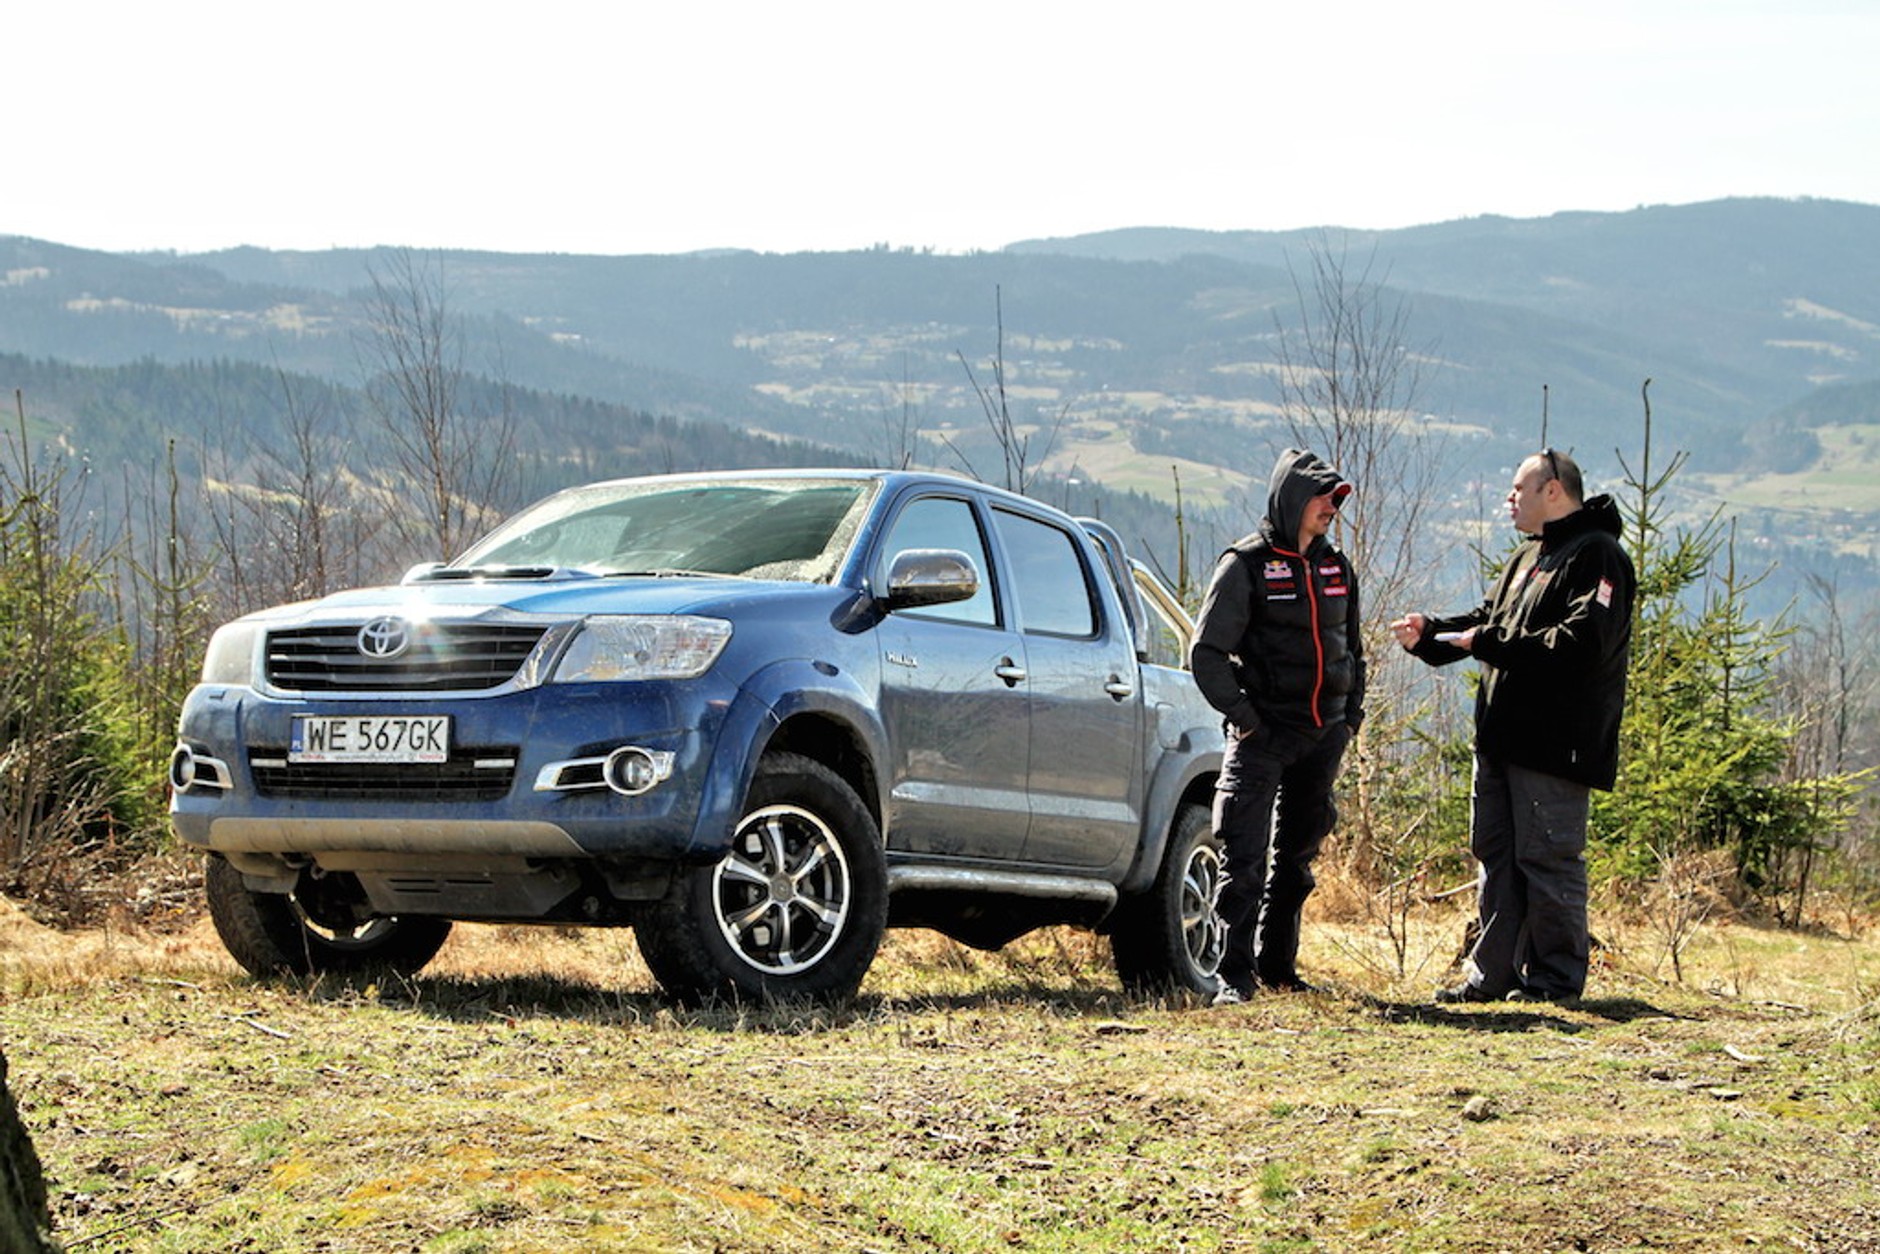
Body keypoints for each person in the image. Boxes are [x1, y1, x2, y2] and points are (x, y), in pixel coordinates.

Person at [1389, 448, 1634, 1004]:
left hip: (1554, 746)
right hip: (1500, 740)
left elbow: (1581, 643)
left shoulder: (1597, 556)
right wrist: (1431, 633)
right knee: (1496, 857)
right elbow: (1487, 622)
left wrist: (1489, 642)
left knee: (1548, 861)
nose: (1509, 498)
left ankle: (1554, 980)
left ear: (1554, 490)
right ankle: (1493, 976)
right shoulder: (1528, 557)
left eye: (1518, 488)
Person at [1191, 448, 1364, 1002]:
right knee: (1243, 858)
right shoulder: (1244, 565)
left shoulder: (1337, 566)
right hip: (1263, 736)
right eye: (1322, 498)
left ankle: (1279, 969)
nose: (1331, 508)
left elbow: (1353, 649)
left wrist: (1350, 716)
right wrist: (1244, 718)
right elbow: (1206, 653)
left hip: (1324, 734)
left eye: (1336, 500)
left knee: (1297, 861)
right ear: (1291, 500)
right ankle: (1232, 979)